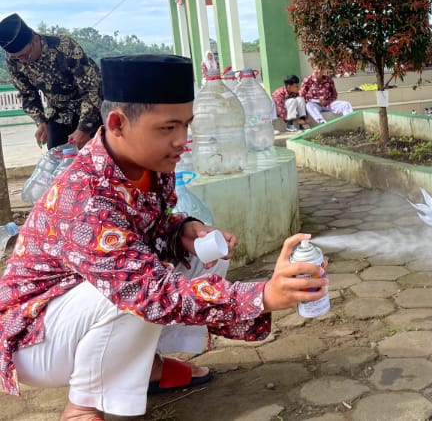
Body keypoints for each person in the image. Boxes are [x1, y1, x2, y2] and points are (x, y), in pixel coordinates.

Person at [0, 54, 328, 421]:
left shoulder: (150, 164)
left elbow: (147, 226)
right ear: (117, 123)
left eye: (186, 125)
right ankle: (83, 405)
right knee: (130, 292)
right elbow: (148, 291)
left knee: (204, 252)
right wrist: (262, 296)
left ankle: (146, 367)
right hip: (35, 336)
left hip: (83, 304)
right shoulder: (85, 197)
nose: (182, 141)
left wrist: (182, 228)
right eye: (168, 128)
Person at [0, 13, 103, 150]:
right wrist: (40, 121)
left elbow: (92, 88)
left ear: (35, 40)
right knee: (56, 156)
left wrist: (84, 128)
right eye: (18, 57)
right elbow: (26, 93)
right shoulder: (14, 58)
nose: (23, 60)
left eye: (25, 55)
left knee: (96, 154)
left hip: (89, 109)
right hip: (58, 113)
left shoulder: (65, 47)